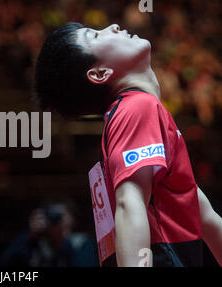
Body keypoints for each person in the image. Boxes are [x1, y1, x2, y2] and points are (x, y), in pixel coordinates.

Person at [33, 23, 222, 267]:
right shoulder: (136, 109)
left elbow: (202, 214)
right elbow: (128, 203)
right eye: (95, 35)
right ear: (100, 73)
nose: (112, 26)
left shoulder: (139, 113)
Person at [0, 202, 99, 267]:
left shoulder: (81, 243)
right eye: (51, 215)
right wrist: (30, 236)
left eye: (60, 215)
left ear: (73, 219)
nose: (55, 219)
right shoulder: (33, 242)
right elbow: (5, 263)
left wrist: (61, 241)